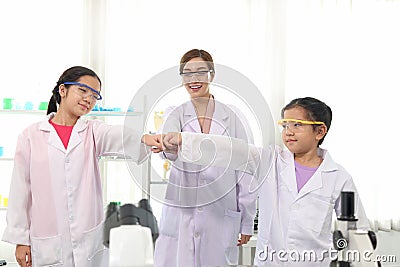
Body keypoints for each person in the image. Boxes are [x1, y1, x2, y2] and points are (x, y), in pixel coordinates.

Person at [162, 97, 370, 266]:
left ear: (320, 131)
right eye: (285, 125)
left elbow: (358, 232)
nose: (288, 131)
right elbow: (229, 149)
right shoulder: (269, 160)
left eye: (297, 125)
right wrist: (184, 139)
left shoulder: (338, 177)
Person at [1, 66, 161, 267]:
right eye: (83, 90)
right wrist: (20, 240)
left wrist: (147, 138)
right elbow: (20, 190)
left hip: (88, 241)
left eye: (95, 96)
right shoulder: (30, 136)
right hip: (46, 240)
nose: (89, 99)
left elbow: (119, 135)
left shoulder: (92, 131)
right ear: (63, 90)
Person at [153, 49, 257, 267]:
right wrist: (168, 145)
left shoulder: (233, 116)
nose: (194, 79)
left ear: (212, 74)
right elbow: (167, 150)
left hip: (220, 212)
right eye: (187, 73)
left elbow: (245, 170)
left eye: (201, 72)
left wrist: (246, 221)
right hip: (181, 211)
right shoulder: (174, 113)